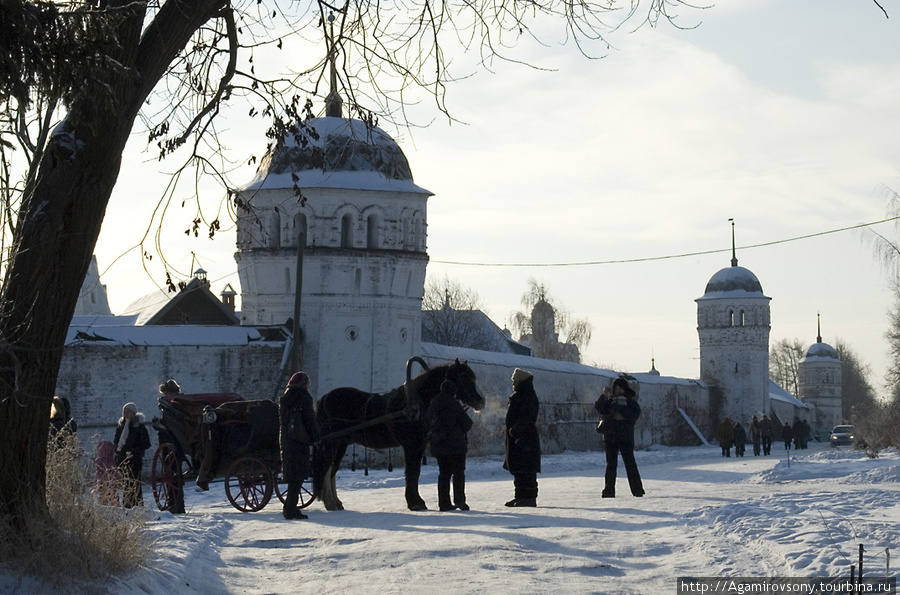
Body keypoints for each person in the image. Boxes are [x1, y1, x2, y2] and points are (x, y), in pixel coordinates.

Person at [424, 380, 473, 511]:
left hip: (439, 445)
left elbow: (427, 421)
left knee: (444, 474)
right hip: (456, 445)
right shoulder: (454, 404)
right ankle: (459, 501)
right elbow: (467, 423)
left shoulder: (433, 404)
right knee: (458, 473)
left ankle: (444, 503)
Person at [279, 371, 320, 520]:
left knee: (292, 476)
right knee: (298, 477)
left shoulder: (285, 397)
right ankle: (290, 510)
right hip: (299, 441)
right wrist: (316, 438)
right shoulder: (304, 397)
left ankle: (288, 507)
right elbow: (309, 420)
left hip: (286, 440)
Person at [595, 377, 644, 498]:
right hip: (610, 436)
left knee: (630, 464)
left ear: (625, 389)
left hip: (625, 437)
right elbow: (599, 407)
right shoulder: (610, 401)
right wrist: (604, 395)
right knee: (610, 465)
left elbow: (633, 416)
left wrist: (620, 408)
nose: (618, 390)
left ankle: (637, 490)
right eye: (616, 388)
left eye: (620, 388)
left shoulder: (630, 403)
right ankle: (609, 491)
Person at [503, 368, 541, 507]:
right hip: (516, 438)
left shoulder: (527, 396)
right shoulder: (520, 395)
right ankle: (520, 496)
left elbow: (528, 417)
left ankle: (529, 497)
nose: (513, 384)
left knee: (527, 470)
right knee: (518, 470)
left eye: (515, 381)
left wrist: (516, 429)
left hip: (524, 438)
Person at [113, 402, 151, 508]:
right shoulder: (121, 426)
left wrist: (135, 450)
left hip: (135, 459)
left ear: (133, 413)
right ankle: (127, 505)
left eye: (128, 411)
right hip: (122, 458)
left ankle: (137, 506)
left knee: (135, 482)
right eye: (125, 412)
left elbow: (146, 443)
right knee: (126, 482)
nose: (126, 414)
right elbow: (116, 440)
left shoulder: (139, 427)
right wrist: (117, 450)